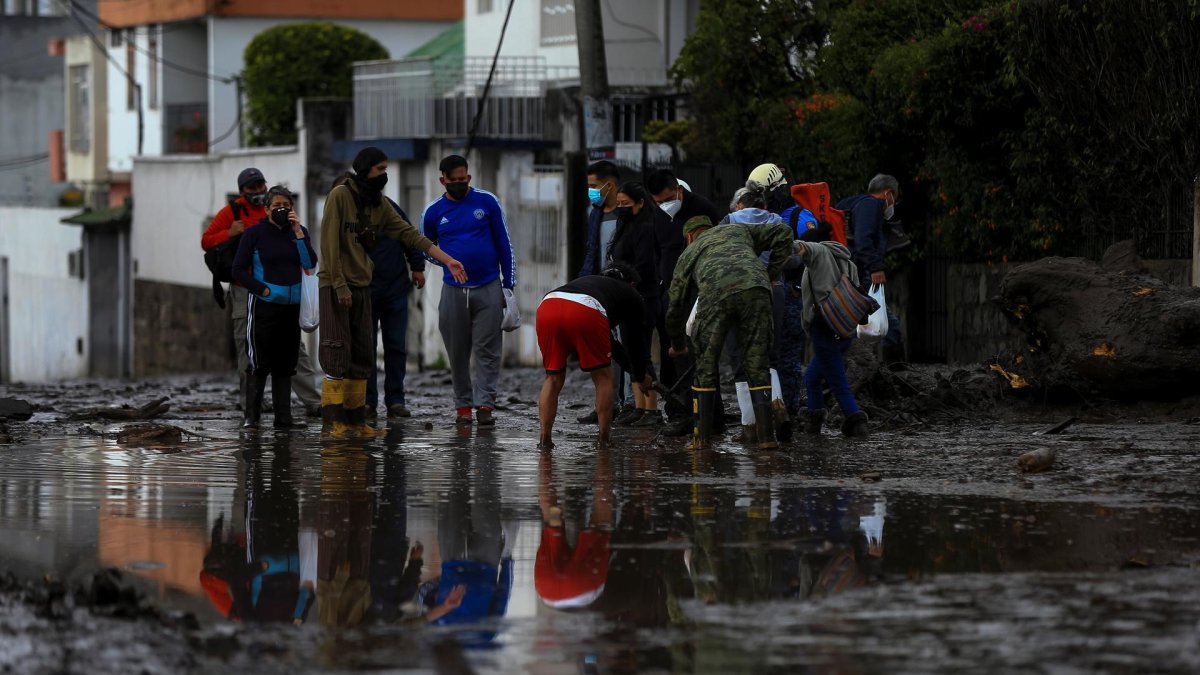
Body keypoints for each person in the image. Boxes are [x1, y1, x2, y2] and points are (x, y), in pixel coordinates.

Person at [318, 147, 467, 436]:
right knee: (337, 353)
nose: (384, 175)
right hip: (337, 286)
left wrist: (446, 259)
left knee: (363, 355)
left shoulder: (379, 203)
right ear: (365, 171)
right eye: (380, 169)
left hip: (364, 285)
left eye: (386, 169)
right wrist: (339, 285)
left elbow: (409, 234)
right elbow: (329, 244)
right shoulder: (340, 196)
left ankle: (356, 422)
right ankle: (334, 425)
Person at [201, 167, 322, 418]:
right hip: (245, 290)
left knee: (293, 349)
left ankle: (311, 400)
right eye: (251, 188)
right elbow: (207, 241)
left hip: (283, 294)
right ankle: (251, 405)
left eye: (260, 186)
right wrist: (230, 232)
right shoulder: (232, 213)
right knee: (249, 345)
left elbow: (309, 261)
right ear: (242, 192)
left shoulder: (289, 224)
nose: (257, 192)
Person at [665, 215, 793, 450]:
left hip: (715, 295)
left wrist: (678, 343)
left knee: (705, 365)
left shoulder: (690, 251)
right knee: (757, 362)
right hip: (757, 289)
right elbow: (784, 232)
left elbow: (675, 302)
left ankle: (701, 440)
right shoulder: (738, 230)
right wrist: (772, 273)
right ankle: (766, 438)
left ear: (690, 236)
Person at [421, 154, 517, 426]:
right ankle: (462, 406)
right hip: (453, 291)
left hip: (488, 286)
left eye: (463, 180)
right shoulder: (433, 212)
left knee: (488, 350)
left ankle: (485, 404)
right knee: (457, 351)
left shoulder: (487, 202)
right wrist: (446, 262)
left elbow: (505, 245)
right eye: (454, 181)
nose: (459, 184)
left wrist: (508, 286)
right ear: (443, 181)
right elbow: (425, 249)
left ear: (469, 178)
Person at [328, 172, 427, 420]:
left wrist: (417, 267)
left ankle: (395, 400)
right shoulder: (337, 218)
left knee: (396, 347)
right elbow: (332, 254)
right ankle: (368, 401)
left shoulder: (384, 206)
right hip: (362, 292)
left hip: (394, 288)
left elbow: (407, 234)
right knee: (364, 349)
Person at [535, 264, 653, 449]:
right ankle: (604, 439)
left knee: (553, 378)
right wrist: (641, 375)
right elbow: (634, 342)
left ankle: (544, 440)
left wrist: (636, 372)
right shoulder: (631, 294)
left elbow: (612, 346)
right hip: (586, 308)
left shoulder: (591, 283)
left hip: (548, 305)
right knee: (603, 376)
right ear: (632, 283)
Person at [231, 185, 316, 429]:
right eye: (277, 206)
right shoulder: (254, 234)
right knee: (259, 362)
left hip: (292, 308)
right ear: (267, 209)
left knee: (286, 363)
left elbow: (310, 262)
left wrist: (298, 231)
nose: (282, 209)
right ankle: (252, 418)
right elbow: (238, 269)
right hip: (264, 307)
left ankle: (283, 418)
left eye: (286, 206)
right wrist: (262, 290)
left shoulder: (298, 232)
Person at [646, 169, 723, 435]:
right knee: (672, 351)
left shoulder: (703, 208)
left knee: (699, 351)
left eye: (666, 199)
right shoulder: (658, 214)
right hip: (670, 291)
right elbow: (658, 251)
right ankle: (679, 409)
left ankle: (708, 413)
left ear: (677, 190)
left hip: (699, 291)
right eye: (656, 201)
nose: (662, 205)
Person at [794, 238, 870, 436]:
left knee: (837, 381)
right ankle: (814, 424)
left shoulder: (817, 252)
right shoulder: (848, 262)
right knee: (812, 378)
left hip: (824, 326)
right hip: (846, 328)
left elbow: (800, 246)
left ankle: (856, 420)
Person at [576, 160, 627, 424]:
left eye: (595, 186)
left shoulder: (627, 212)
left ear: (610, 185)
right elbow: (591, 250)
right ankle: (607, 405)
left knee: (626, 346)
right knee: (603, 348)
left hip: (623, 287)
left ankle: (630, 403)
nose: (592, 192)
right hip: (600, 287)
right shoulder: (593, 213)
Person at [607, 182, 661, 426]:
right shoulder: (624, 226)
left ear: (640, 203)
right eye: (618, 204)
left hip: (643, 297)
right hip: (625, 297)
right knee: (630, 350)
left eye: (626, 204)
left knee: (640, 350)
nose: (621, 208)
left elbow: (645, 266)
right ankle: (639, 406)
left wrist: (628, 281)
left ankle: (651, 409)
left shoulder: (646, 228)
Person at [838, 174, 904, 363]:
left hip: (849, 276)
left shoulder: (856, 204)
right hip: (861, 276)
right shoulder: (871, 205)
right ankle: (898, 374)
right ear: (888, 194)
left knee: (856, 328)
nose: (894, 203)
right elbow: (863, 240)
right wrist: (876, 267)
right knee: (890, 327)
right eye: (895, 198)